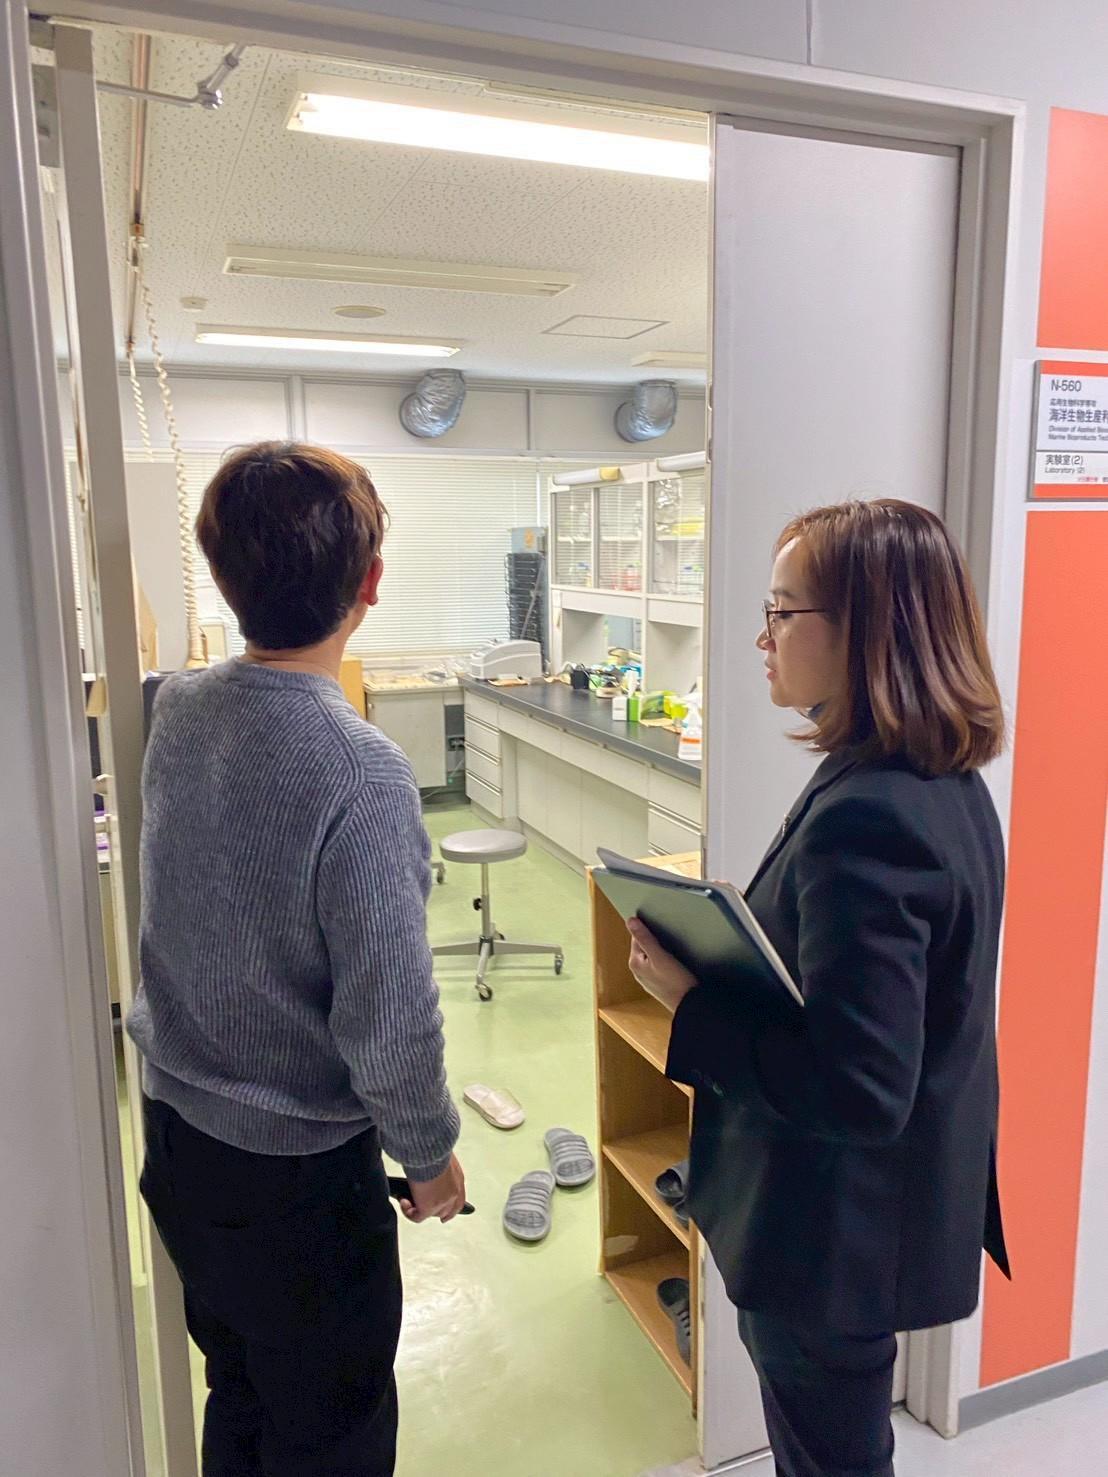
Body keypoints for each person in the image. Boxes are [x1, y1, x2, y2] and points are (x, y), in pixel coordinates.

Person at [626, 500, 1010, 1477]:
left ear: (867, 630)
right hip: (875, 1220)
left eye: (782, 612)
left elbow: (861, 1086)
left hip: (829, 1239)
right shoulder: (938, 782)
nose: (762, 637)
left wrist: (691, 1002)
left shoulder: (868, 816)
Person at [128, 442, 464, 1477]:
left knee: (238, 1394)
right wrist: (430, 1156)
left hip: (178, 1143)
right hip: (295, 1190)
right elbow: (390, 1017)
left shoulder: (176, 709)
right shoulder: (360, 771)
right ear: (370, 584)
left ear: (221, 574)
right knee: (331, 1438)